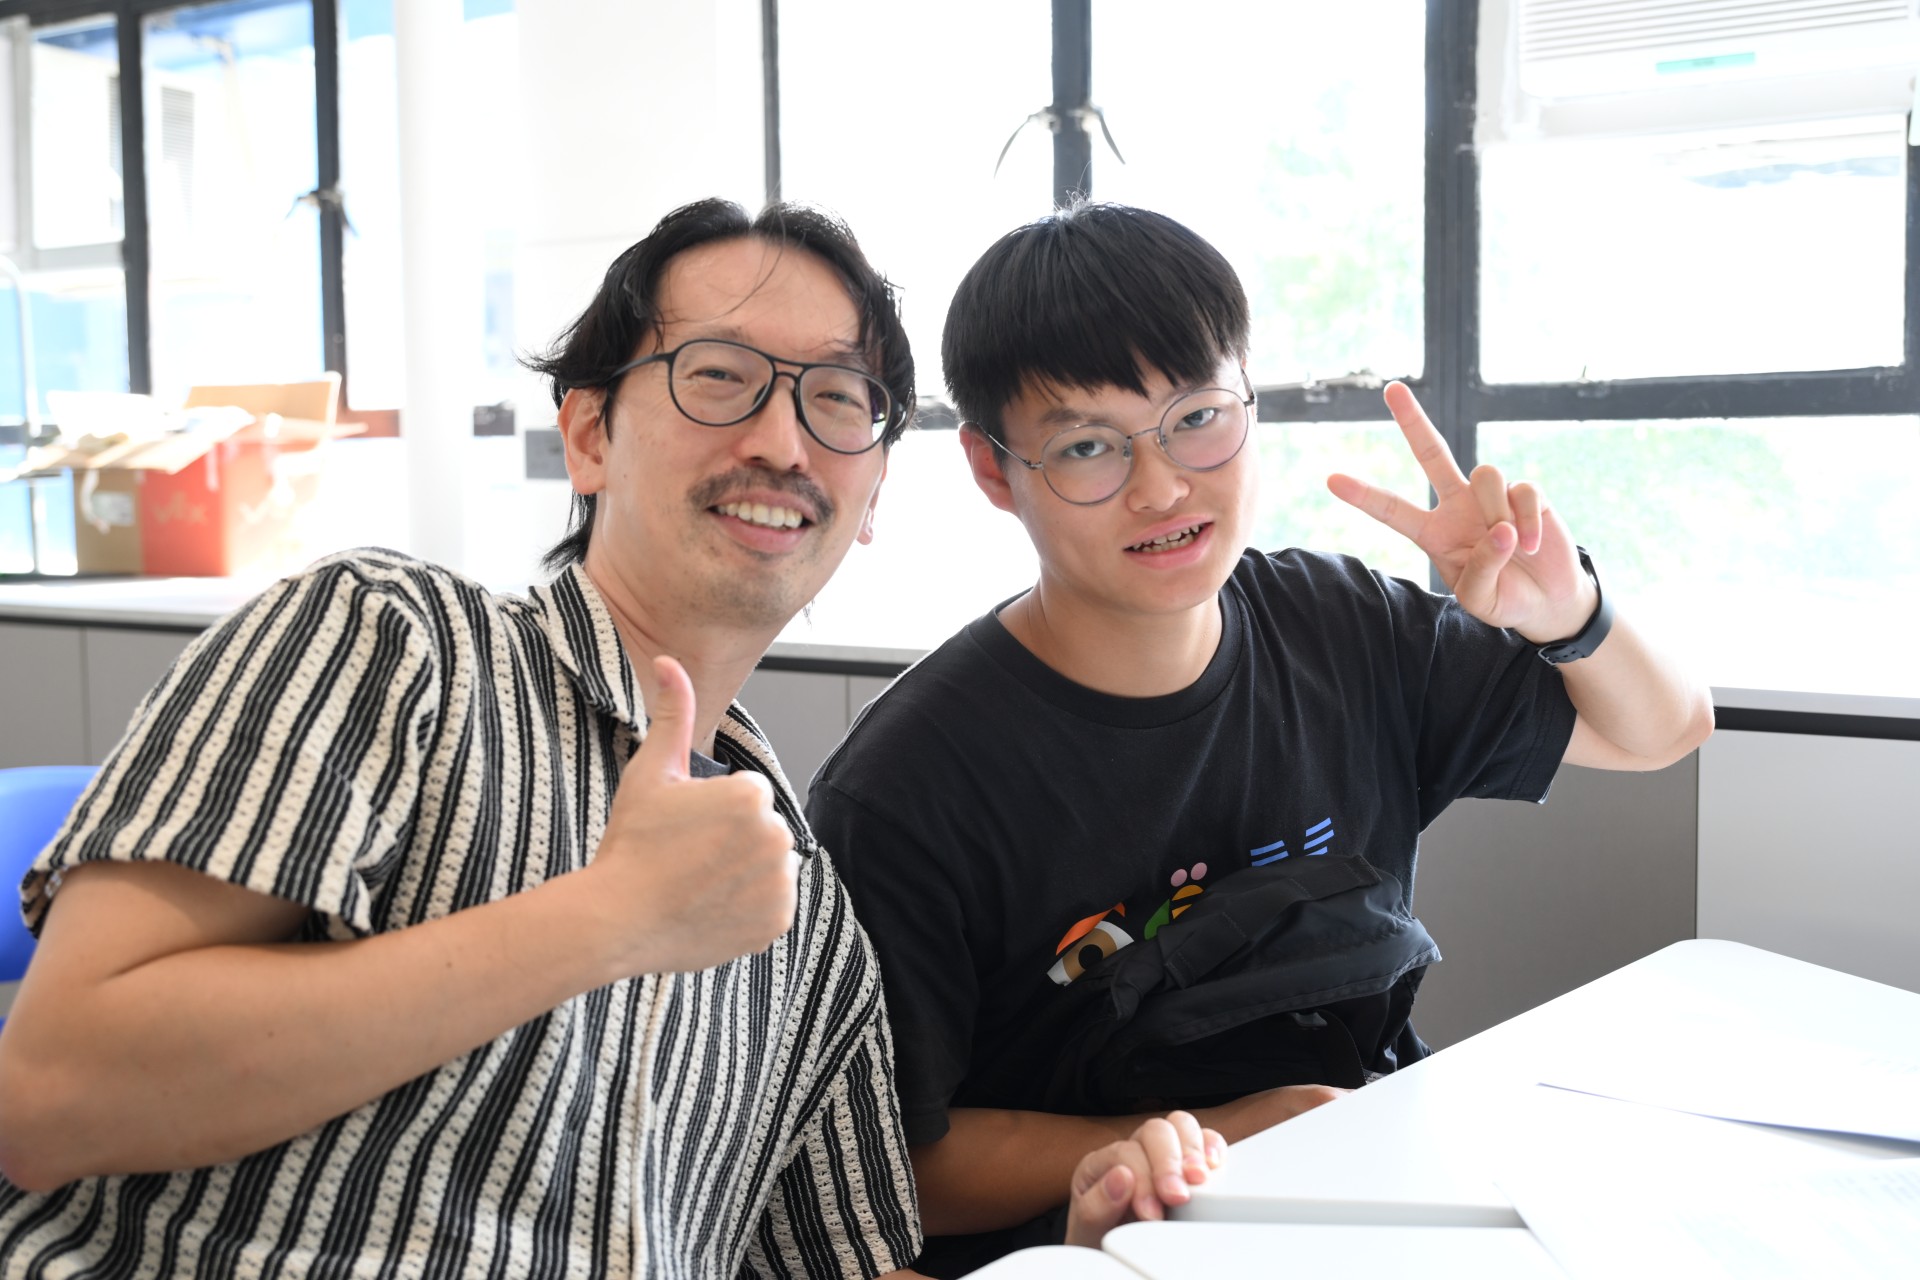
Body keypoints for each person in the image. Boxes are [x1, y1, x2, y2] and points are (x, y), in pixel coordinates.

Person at [0, 198, 928, 1278]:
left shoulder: (804, 911)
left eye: (837, 398)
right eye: (719, 376)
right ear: (588, 436)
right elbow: (52, 1096)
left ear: (872, 495)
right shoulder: (388, 641)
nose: (781, 442)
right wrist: (611, 916)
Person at [806, 202, 1715, 1276]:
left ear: (1250, 399)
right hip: (1101, 1246)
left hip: (1368, 1187)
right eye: (1088, 446)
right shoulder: (906, 788)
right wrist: (1236, 1132)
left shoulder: (1341, 627)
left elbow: (1662, 730)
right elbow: (898, 1169)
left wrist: (1568, 615)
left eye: (1197, 418)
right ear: (994, 470)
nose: (1162, 488)